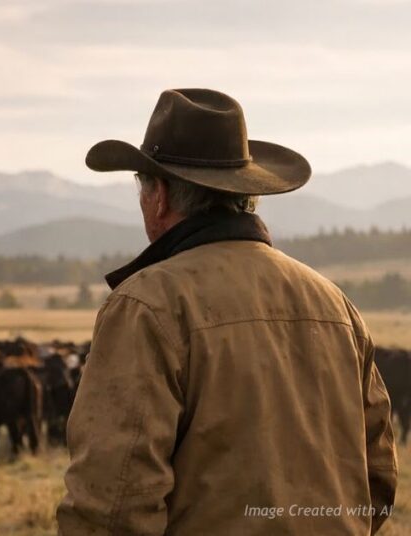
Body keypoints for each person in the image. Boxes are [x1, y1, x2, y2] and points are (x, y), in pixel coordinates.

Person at [57, 89, 397, 535]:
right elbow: (378, 476)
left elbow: (113, 503)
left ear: (158, 196)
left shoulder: (148, 304)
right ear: (246, 194)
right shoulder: (334, 303)